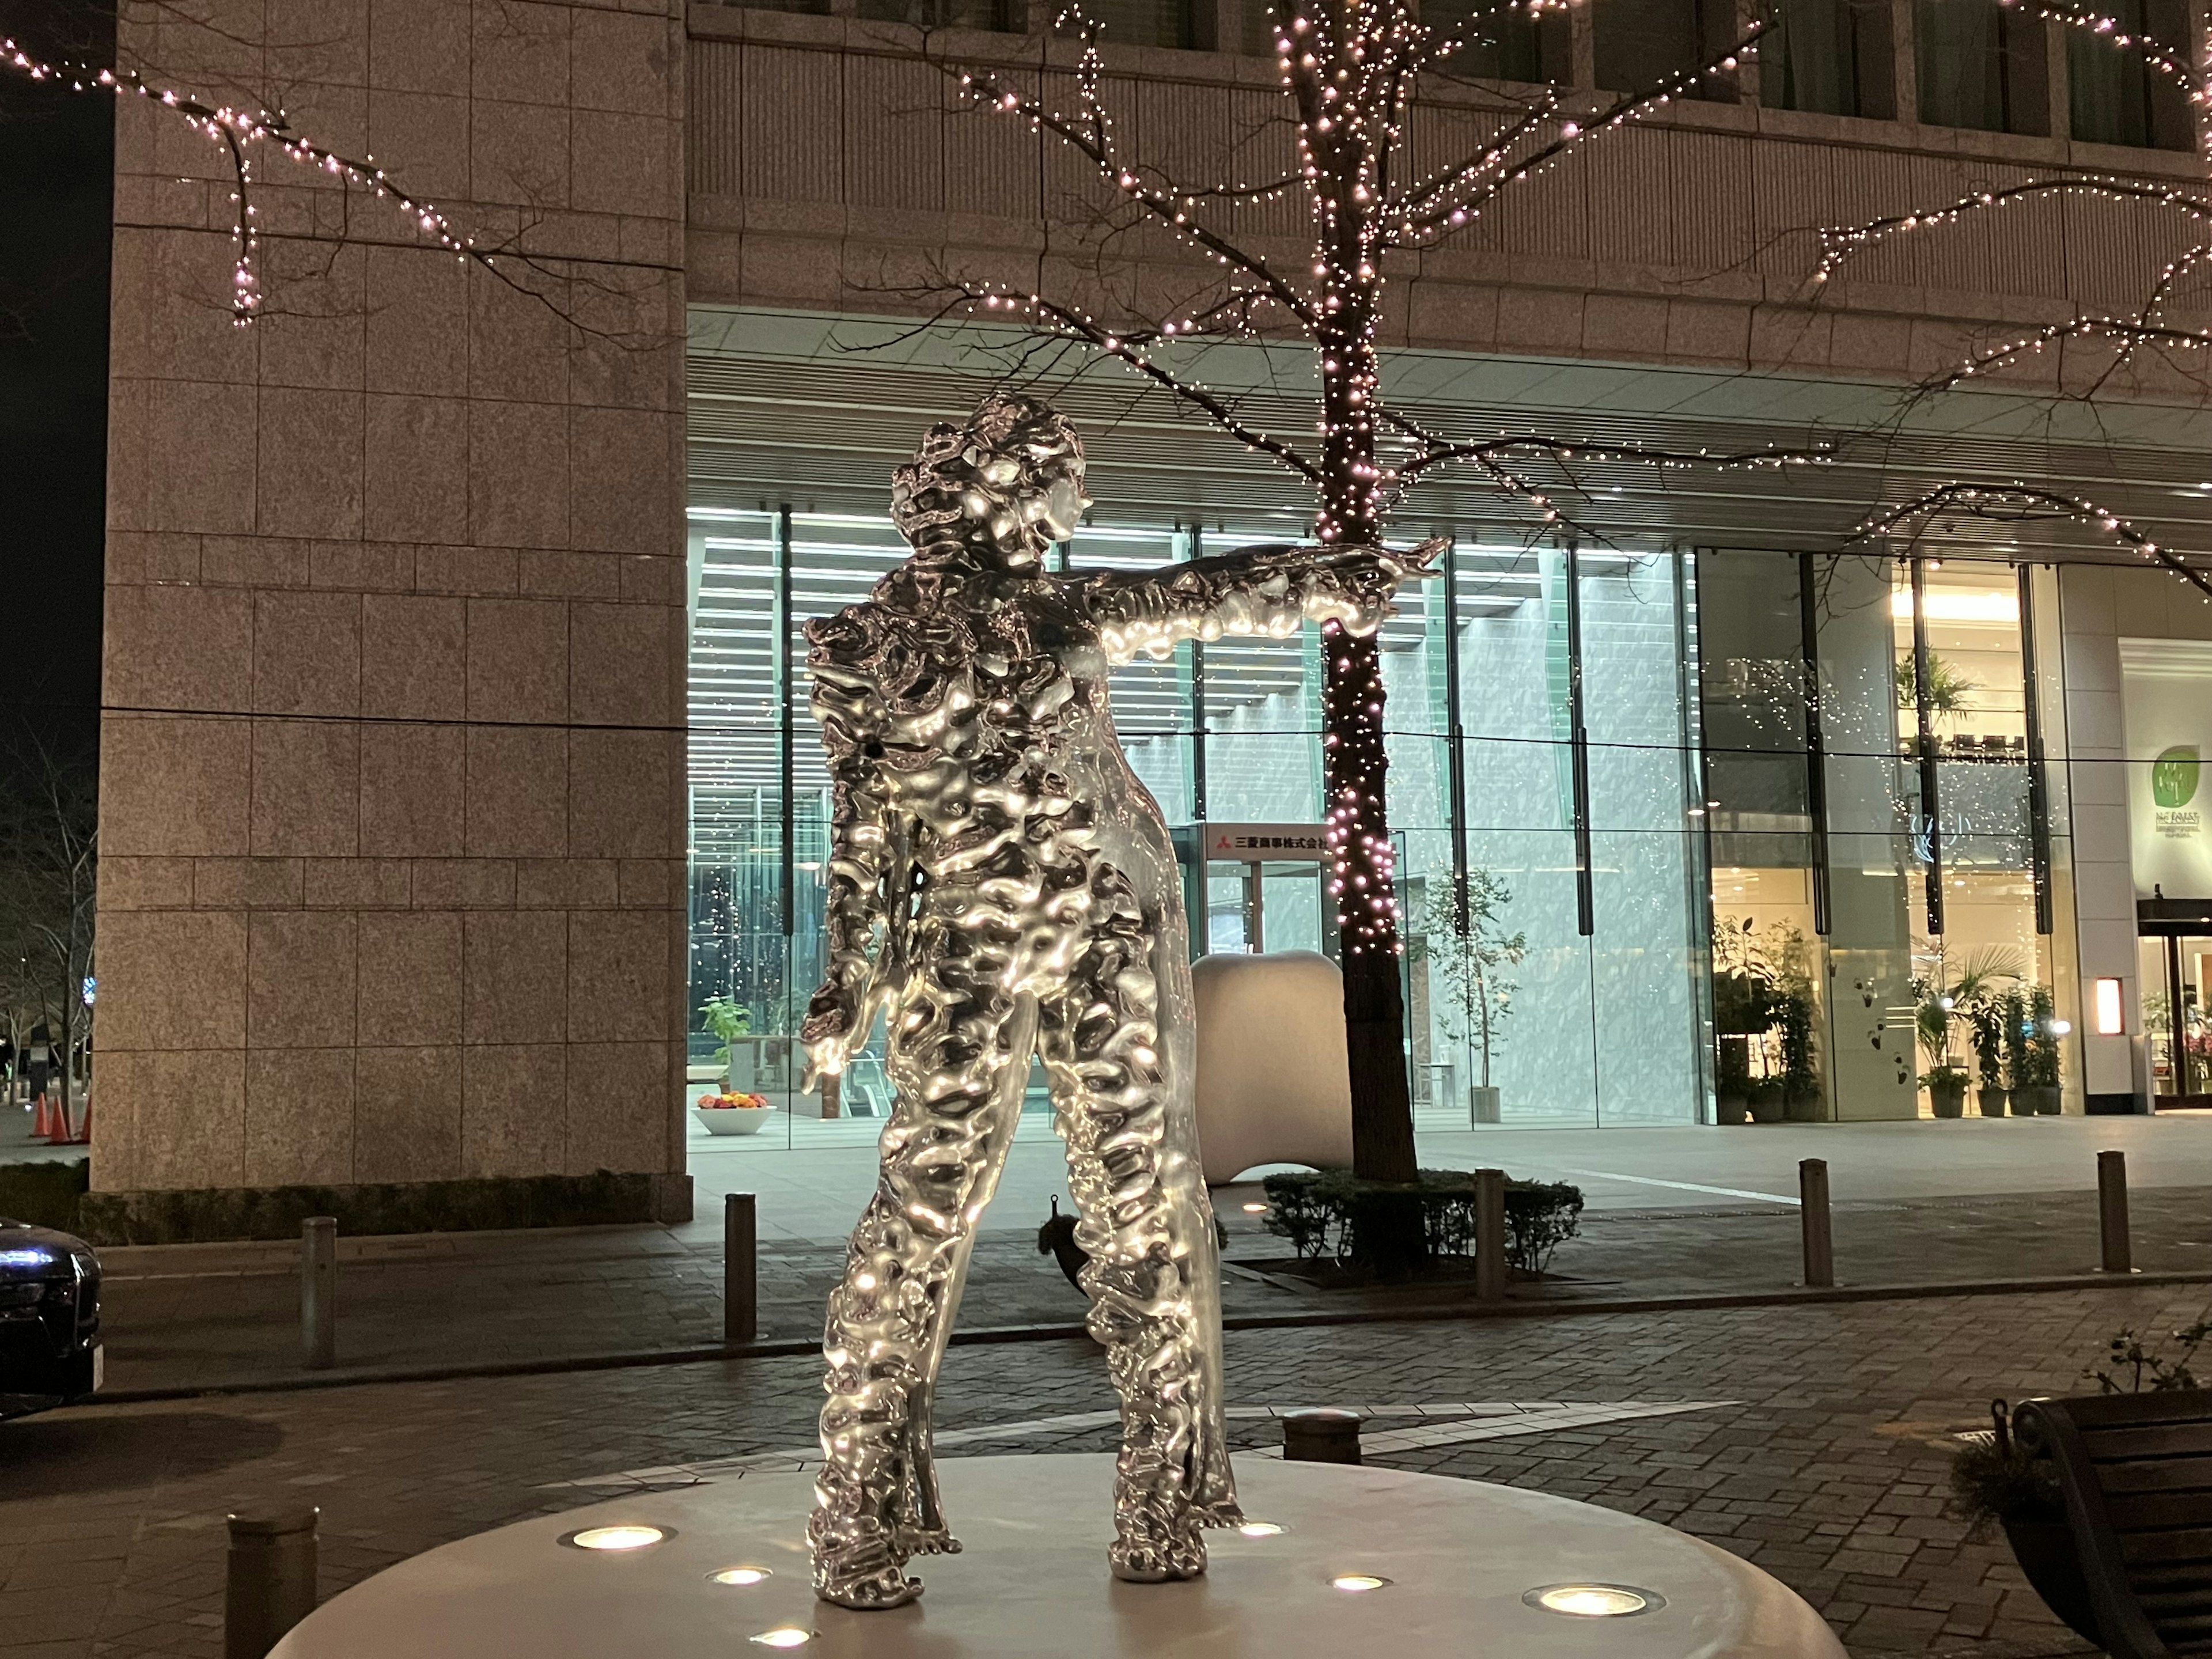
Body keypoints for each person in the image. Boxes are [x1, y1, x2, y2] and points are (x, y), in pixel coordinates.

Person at [800, 391, 1435, 1609]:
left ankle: (1161, 1498)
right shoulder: (863, 647)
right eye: (1065, 479)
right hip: (974, 948)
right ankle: (856, 1513)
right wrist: (846, 975)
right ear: (1005, 486)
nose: (1079, 505)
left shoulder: (1058, 613)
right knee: (924, 1215)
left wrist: (1327, 579)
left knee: (1142, 1203)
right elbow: (865, 833)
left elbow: (1199, 594)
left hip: (1107, 931)